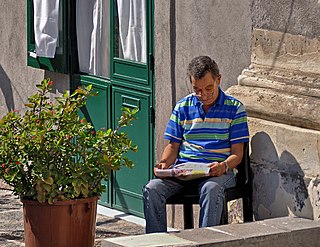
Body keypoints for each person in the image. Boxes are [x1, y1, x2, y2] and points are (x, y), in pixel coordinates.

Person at [143, 55, 249, 233]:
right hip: (184, 172)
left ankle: (205, 242)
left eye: (209, 88)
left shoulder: (235, 108)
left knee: (211, 189)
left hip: (218, 172)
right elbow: (173, 147)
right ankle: (157, 242)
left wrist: (222, 166)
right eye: (197, 89)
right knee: (152, 189)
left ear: (218, 80)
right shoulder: (182, 107)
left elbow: (237, 154)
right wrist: (163, 164)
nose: (203, 95)